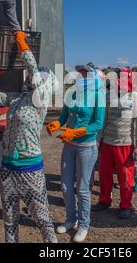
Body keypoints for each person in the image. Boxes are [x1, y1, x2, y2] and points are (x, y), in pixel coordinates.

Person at [0, 31, 58, 244]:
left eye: (37, 76)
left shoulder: (40, 102)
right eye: (32, 76)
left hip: (30, 171)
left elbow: (35, 74)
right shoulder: (16, 99)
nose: (32, 77)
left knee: (42, 219)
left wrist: (22, 44)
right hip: (8, 169)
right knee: (9, 220)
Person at [46, 65, 106, 243]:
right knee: (65, 187)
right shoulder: (71, 94)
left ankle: (84, 225)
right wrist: (56, 124)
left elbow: (97, 125)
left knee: (82, 188)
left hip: (86, 147)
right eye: (80, 73)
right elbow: (64, 117)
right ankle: (71, 219)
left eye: (86, 73)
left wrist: (75, 132)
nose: (82, 75)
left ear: (93, 77)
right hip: (69, 146)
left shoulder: (98, 96)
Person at [92, 68, 137, 219]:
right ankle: (104, 201)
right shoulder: (108, 96)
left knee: (125, 178)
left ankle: (126, 205)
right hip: (107, 143)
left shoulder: (135, 98)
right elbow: (104, 121)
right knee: (104, 175)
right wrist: (98, 140)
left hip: (126, 144)